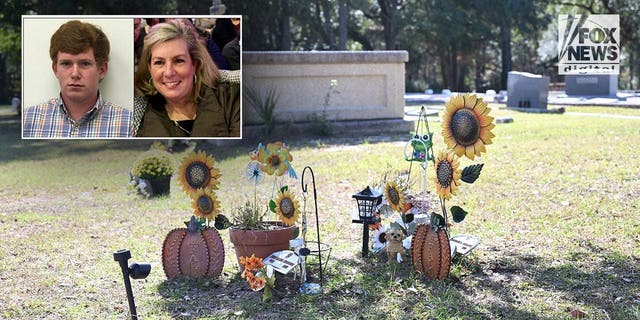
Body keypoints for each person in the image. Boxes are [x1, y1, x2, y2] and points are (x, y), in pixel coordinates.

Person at [23, 20, 131, 138]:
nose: (75, 74)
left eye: (85, 64)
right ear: (55, 69)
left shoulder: (129, 125)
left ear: (101, 70)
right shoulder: (28, 120)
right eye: (66, 64)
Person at [133, 19, 240, 137]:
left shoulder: (230, 99)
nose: (169, 72)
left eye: (179, 61)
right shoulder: (137, 114)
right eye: (159, 62)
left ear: (195, 64)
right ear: (149, 67)